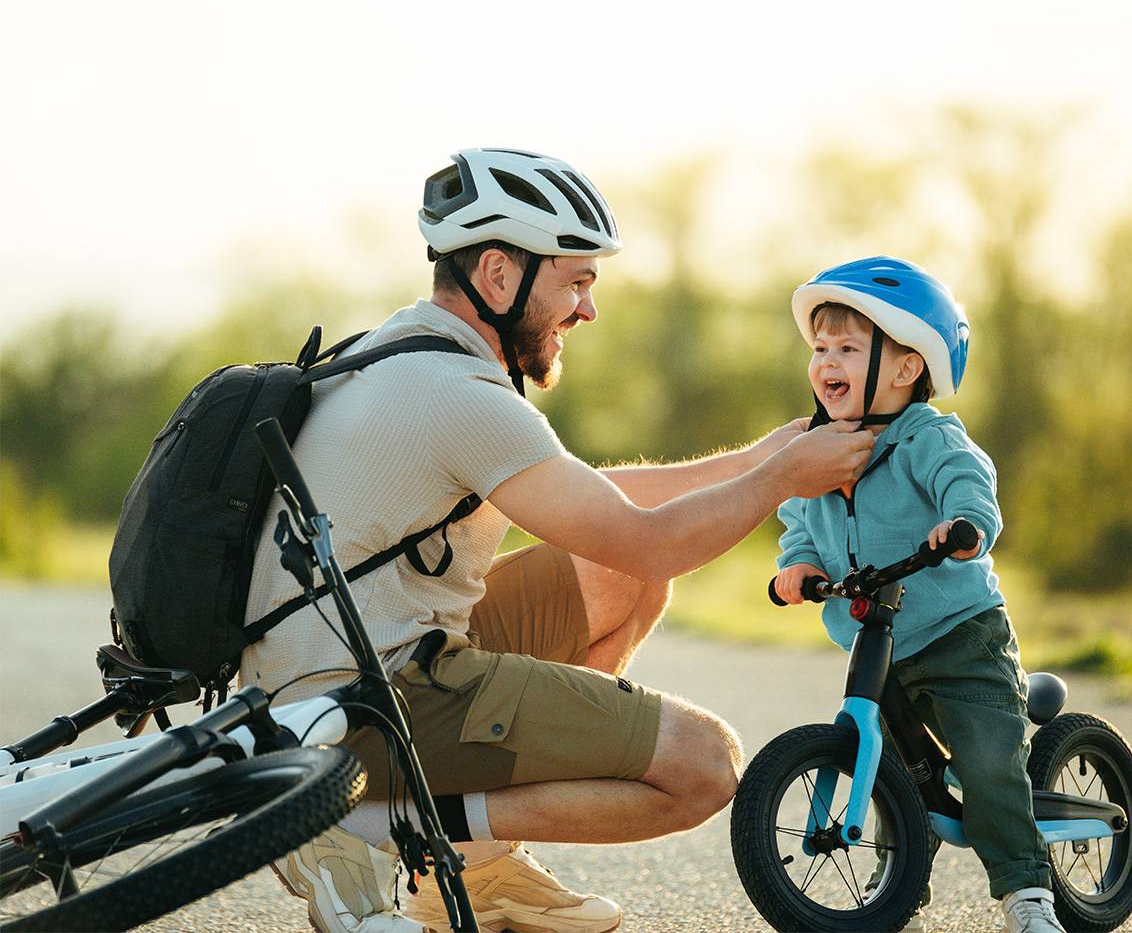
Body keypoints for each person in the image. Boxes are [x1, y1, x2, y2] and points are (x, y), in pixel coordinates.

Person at [244, 148, 877, 933]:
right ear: (501, 276)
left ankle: (476, 875)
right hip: (365, 706)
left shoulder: (403, 348)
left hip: (318, 678)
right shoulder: (463, 394)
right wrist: (782, 479)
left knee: (622, 580)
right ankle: (375, 824)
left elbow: (601, 513)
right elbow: (650, 540)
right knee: (704, 768)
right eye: (575, 282)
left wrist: (758, 459)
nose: (587, 309)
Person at [772, 256, 1066, 933]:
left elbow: (969, 484)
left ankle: (1027, 891)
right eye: (820, 349)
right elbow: (799, 527)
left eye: (848, 348)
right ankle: (896, 881)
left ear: (906, 369)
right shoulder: (815, 450)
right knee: (890, 772)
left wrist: (964, 528)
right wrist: (797, 569)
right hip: (876, 639)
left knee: (988, 762)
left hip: (960, 634)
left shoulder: (927, 437)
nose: (826, 363)